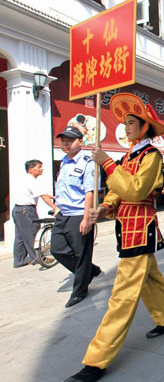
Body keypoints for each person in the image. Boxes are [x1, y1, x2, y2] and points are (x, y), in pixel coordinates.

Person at [64, 93, 164, 382]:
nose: (126, 127)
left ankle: (96, 360)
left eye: (132, 123)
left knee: (121, 296)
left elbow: (136, 189)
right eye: (126, 122)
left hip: (141, 228)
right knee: (150, 278)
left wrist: (105, 164)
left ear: (145, 128)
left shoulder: (152, 156)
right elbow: (118, 192)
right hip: (126, 226)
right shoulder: (128, 156)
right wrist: (104, 207)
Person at [52, 125, 102, 308]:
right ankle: (90, 271)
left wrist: (87, 218)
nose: (65, 144)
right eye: (63, 140)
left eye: (69, 140)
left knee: (82, 254)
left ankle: (79, 291)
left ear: (80, 141)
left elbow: (90, 192)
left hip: (79, 213)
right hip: (63, 213)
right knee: (56, 249)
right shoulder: (64, 161)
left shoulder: (87, 163)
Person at [12, 160, 57, 268]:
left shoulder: (24, 179)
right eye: (39, 167)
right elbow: (43, 196)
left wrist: (52, 197)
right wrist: (55, 207)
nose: (41, 169)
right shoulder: (32, 180)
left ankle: (20, 260)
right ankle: (37, 258)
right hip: (26, 210)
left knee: (20, 237)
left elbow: (42, 194)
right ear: (31, 169)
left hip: (18, 210)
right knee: (32, 233)